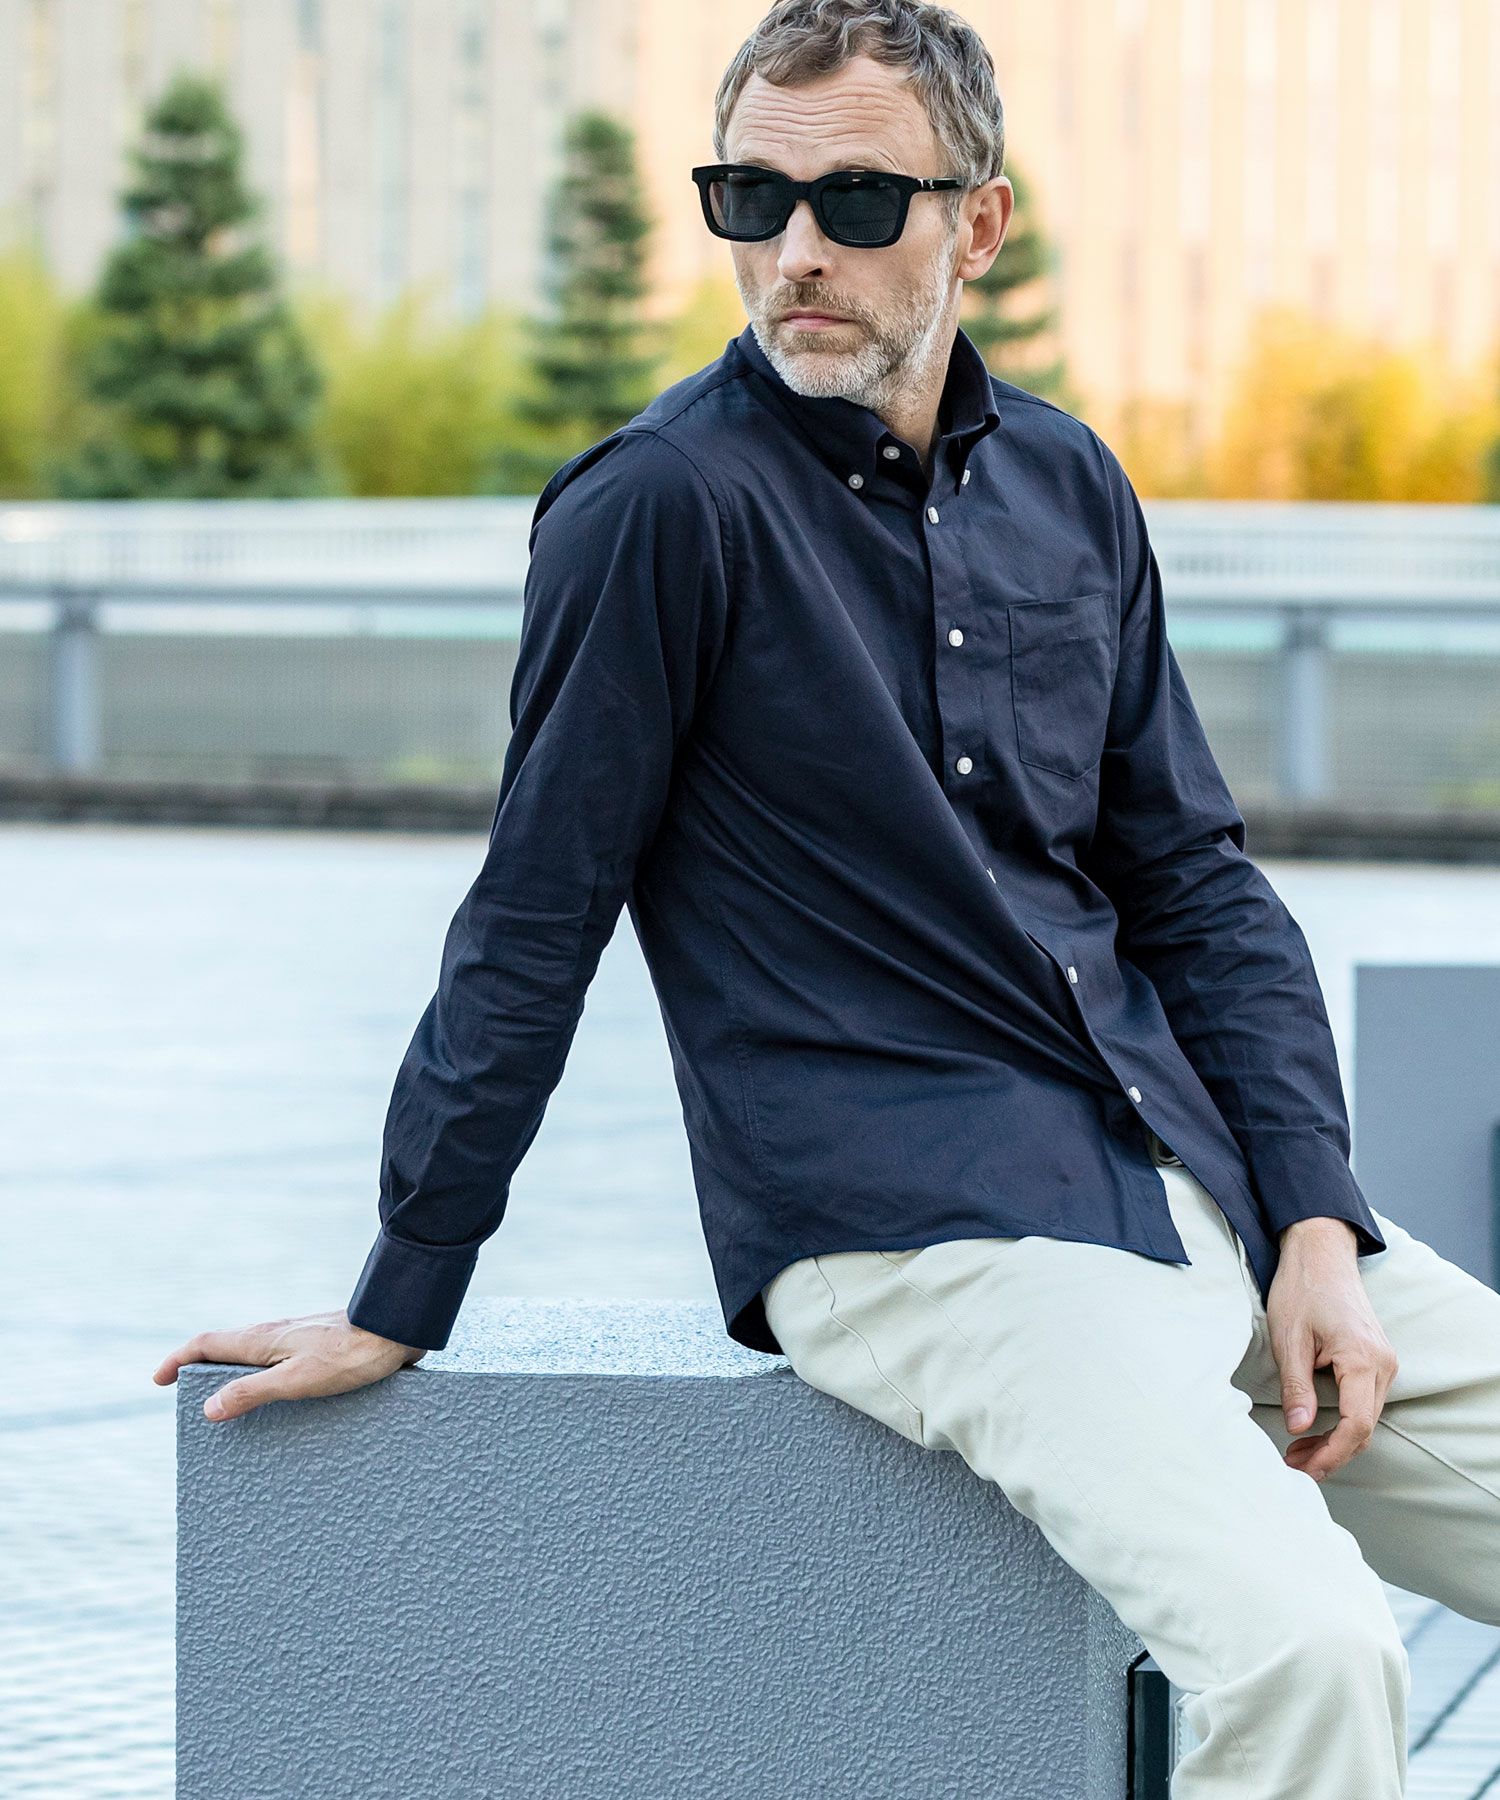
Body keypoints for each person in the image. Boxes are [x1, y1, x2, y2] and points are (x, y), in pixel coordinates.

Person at [154, 3, 1500, 1792]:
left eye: (859, 202)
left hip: (1199, 1183)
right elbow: (536, 913)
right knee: (1313, 1657)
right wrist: (408, 1286)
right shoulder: (657, 509)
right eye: (753, 198)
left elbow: (1194, 884)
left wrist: (1318, 1217)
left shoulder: (1069, 484)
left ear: (978, 224)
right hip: (924, 1229)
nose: (796, 250)